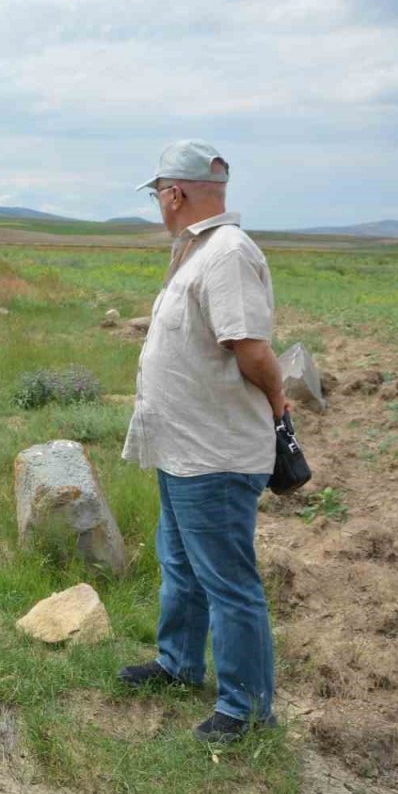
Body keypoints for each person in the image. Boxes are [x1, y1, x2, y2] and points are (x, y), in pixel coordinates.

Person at [117, 139, 289, 744]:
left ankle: (246, 708)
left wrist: (277, 401)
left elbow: (251, 349)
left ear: (174, 193)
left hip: (215, 455)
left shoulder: (227, 254)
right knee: (181, 568)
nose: (158, 207)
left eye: (158, 196)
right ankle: (179, 663)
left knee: (228, 583)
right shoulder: (196, 251)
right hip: (183, 448)